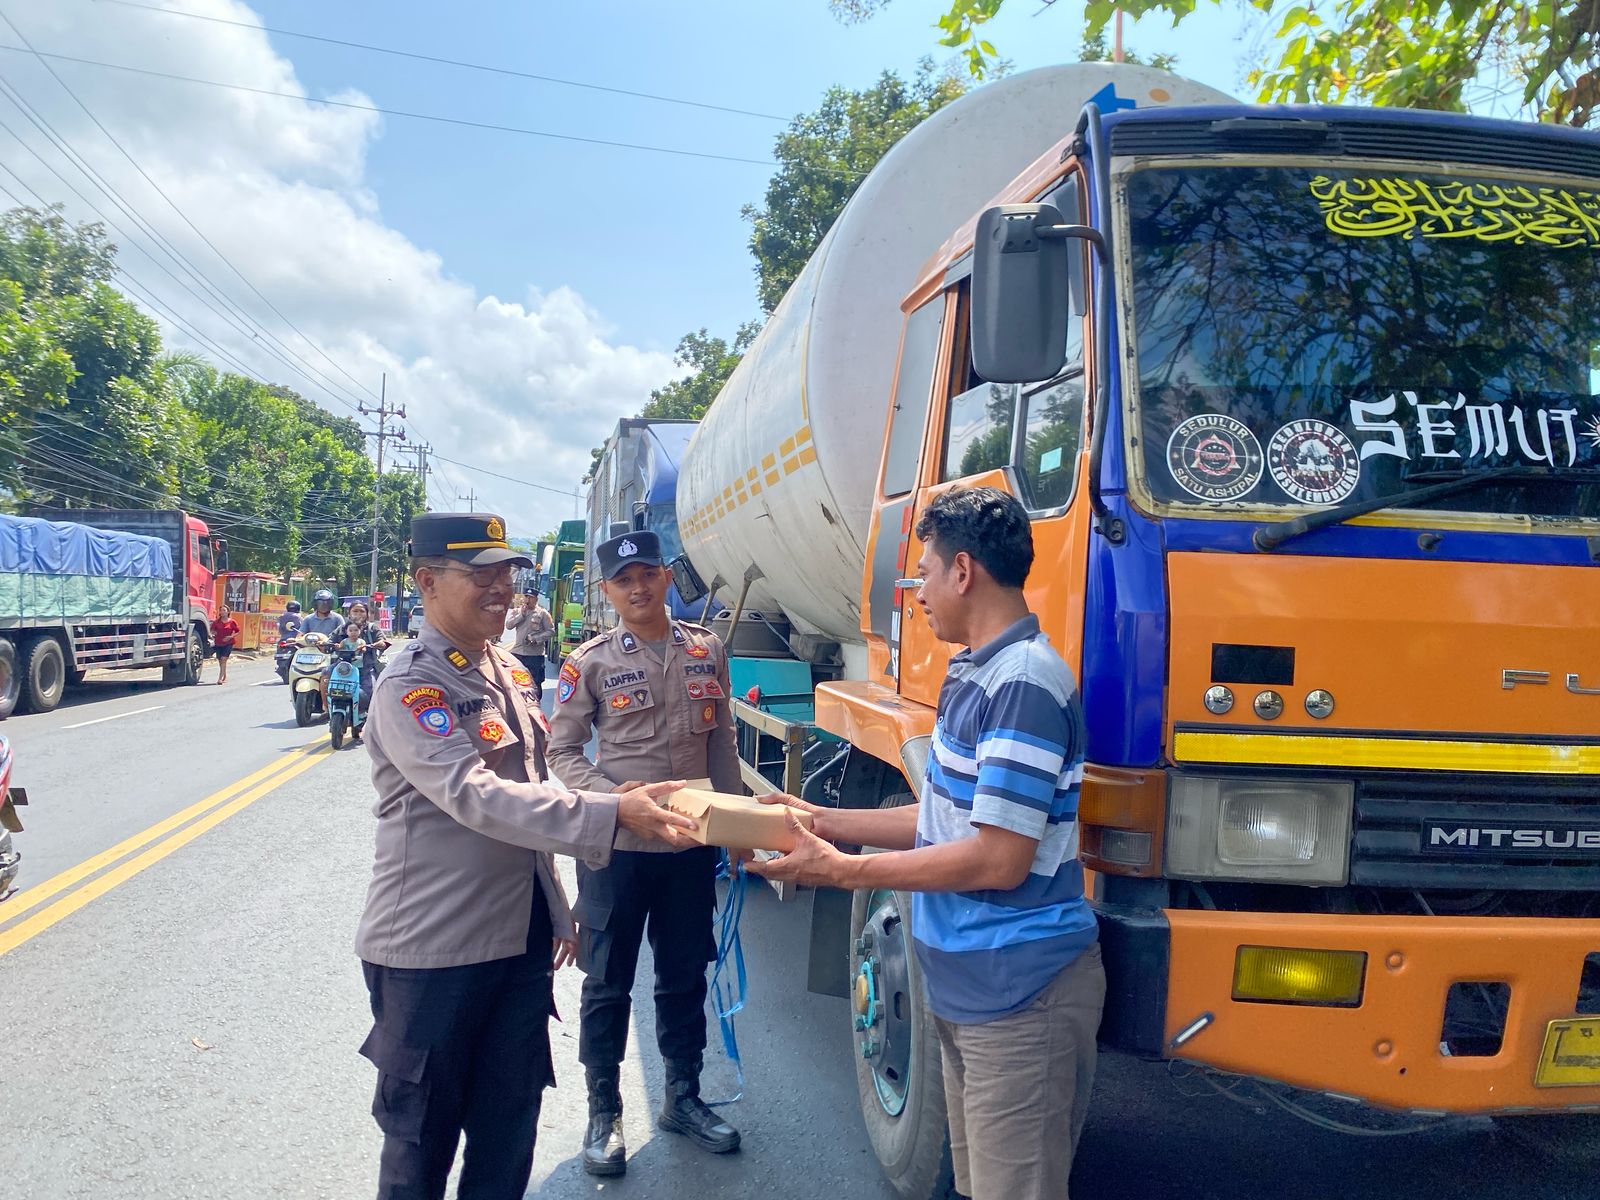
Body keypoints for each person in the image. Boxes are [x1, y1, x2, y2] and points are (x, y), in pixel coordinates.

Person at [748, 487, 1104, 1200]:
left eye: (923, 575)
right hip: (971, 989)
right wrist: (820, 820)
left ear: (963, 571)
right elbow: (942, 820)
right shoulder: (974, 671)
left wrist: (843, 872)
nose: (917, 596)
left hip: (1019, 998)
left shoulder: (1023, 685)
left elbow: (998, 860)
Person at [355, 512, 698, 1200]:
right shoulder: (411, 684)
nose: (501, 588)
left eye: (507, 573)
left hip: (517, 941)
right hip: (434, 949)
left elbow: (533, 790)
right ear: (426, 581)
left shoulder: (508, 670)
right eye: (479, 574)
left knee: (509, 1128)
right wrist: (612, 812)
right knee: (421, 1142)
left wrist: (556, 906)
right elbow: (475, 795)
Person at [547, 528, 743, 1178]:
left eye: (648, 575)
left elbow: (722, 743)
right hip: (617, 848)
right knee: (608, 981)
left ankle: (682, 1098)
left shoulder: (706, 649)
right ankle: (603, 1113)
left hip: (689, 845)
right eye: (624, 580)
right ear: (607, 590)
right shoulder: (590, 662)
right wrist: (613, 799)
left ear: (665, 578)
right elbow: (562, 752)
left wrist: (738, 825)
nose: (638, 588)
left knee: (684, 975)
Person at [504, 593, 554, 703]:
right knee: (515, 682)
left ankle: (534, 705)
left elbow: (550, 631)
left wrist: (536, 638)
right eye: (526, 597)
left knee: (535, 684)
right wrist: (521, 615)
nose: (528, 600)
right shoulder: (518, 611)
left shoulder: (543, 613)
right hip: (518, 653)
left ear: (536, 599)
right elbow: (508, 625)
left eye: (531, 597)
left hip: (535, 655)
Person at [210, 604, 241, 685]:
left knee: (224, 659)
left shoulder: (232, 622)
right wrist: (214, 633)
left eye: (224, 610)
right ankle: (225, 675)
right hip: (218, 643)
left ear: (228, 612)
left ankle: (220, 679)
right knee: (220, 661)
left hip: (228, 643)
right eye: (221, 610)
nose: (222, 612)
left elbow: (238, 631)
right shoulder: (216, 622)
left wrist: (231, 637)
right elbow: (212, 630)